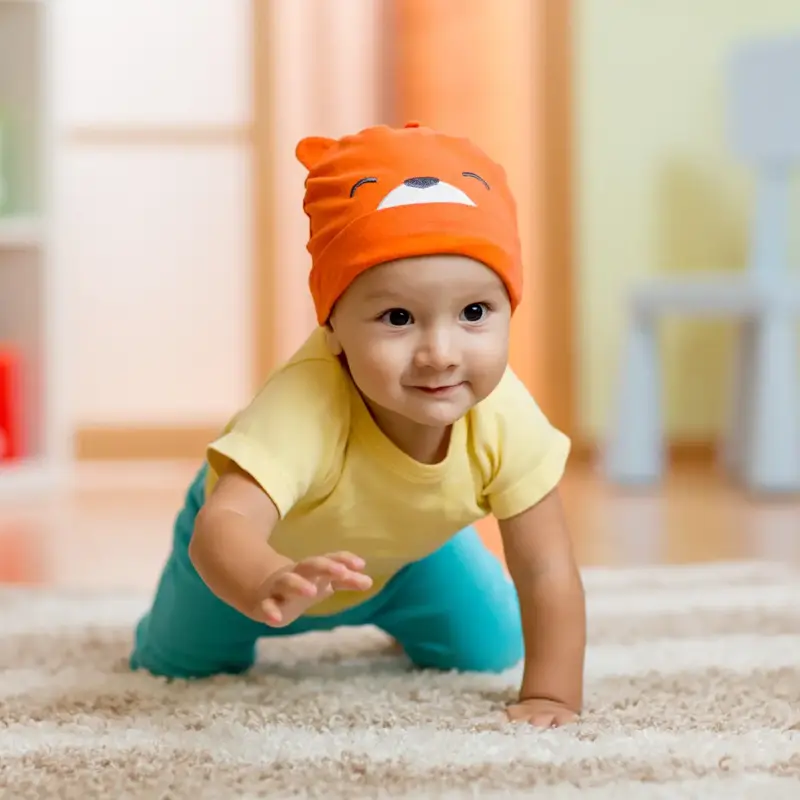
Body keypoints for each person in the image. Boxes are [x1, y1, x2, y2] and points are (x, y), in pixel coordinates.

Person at [130, 122, 586, 728]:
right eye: (398, 318)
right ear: (333, 329)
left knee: (493, 647)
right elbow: (226, 524)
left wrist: (551, 697)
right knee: (174, 667)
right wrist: (268, 579)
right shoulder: (304, 406)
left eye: (475, 312)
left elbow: (546, 566)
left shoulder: (503, 414)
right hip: (252, 562)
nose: (440, 354)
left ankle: (413, 580)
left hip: (407, 557)